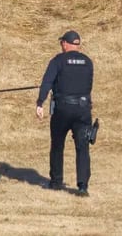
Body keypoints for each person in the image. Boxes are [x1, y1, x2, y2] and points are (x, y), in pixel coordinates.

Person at [35, 30, 94, 196]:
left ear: (66, 44)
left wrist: (40, 103)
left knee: (57, 145)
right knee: (82, 147)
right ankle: (82, 187)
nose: (61, 45)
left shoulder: (58, 61)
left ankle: (56, 182)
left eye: (62, 43)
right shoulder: (88, 62)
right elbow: (88, 86)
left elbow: (47, 82)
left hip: (62, 109)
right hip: (83, 110)